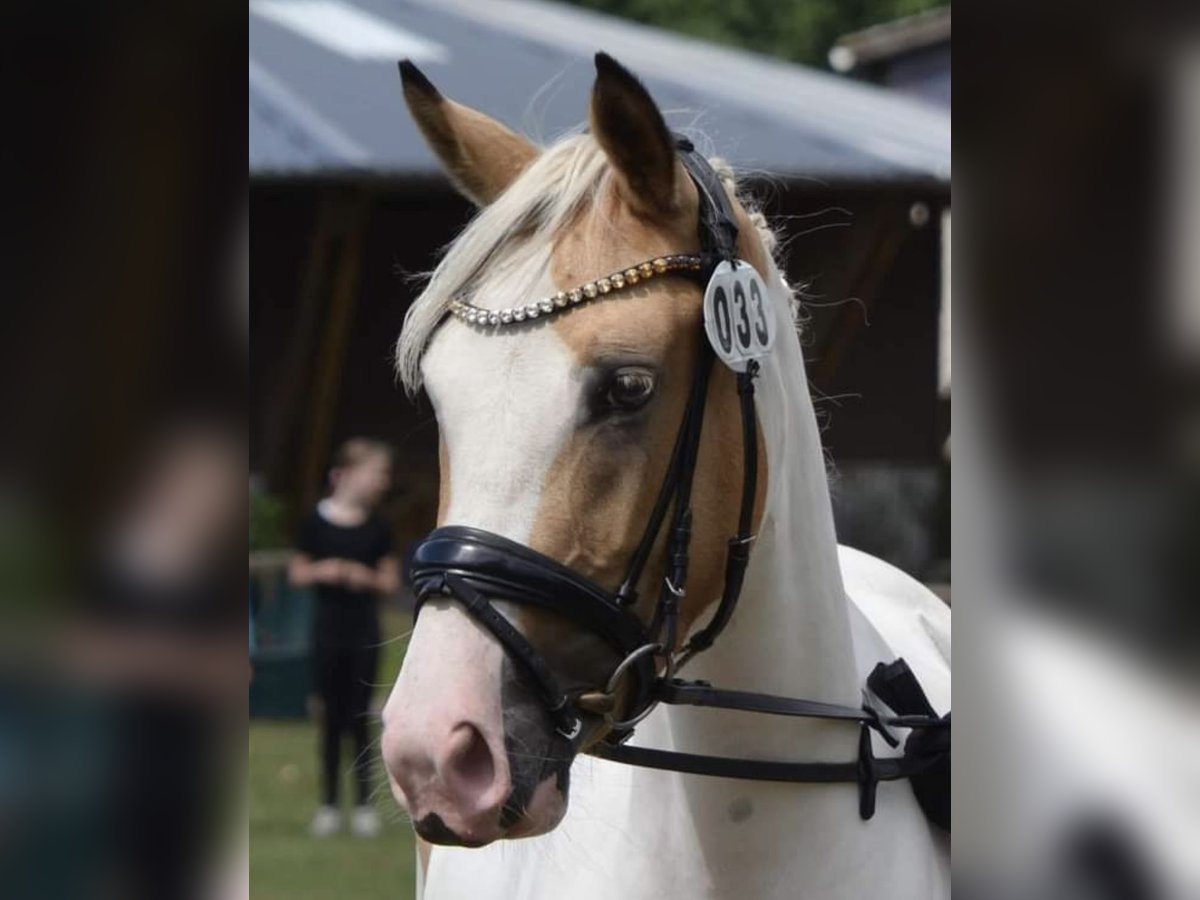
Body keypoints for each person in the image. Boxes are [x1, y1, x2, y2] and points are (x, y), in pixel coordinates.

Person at [289, 438, 399, 838]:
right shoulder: (315, 523)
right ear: (348, 473)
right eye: (377, 473)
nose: (382, 483)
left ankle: (365, 804)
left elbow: (390, 580)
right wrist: (326, 570)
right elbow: (297, 572)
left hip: (363, 633)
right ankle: (329, 804)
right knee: (330, 719)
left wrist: (361, 577)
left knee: (360, 717)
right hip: (326, 631)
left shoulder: (378, 527)